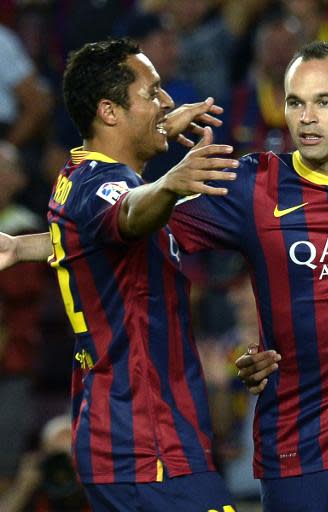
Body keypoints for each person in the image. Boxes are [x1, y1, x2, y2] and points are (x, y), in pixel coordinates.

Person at [165, 41, 328, 512]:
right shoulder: (252, 185)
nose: (306, 117)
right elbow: (128, 226)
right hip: (294, 442)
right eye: (295, 102)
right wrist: (156, 143)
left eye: (324, 102)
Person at [0, 38, 241, 511]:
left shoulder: (75, 174)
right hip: (145, 439)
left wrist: (21, 246)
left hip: (124, 431)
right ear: (109, 112)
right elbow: (129, 212)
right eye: (153, 93)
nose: (168, 102)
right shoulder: (110, 187)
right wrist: (171, 182)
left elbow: (85, 236)